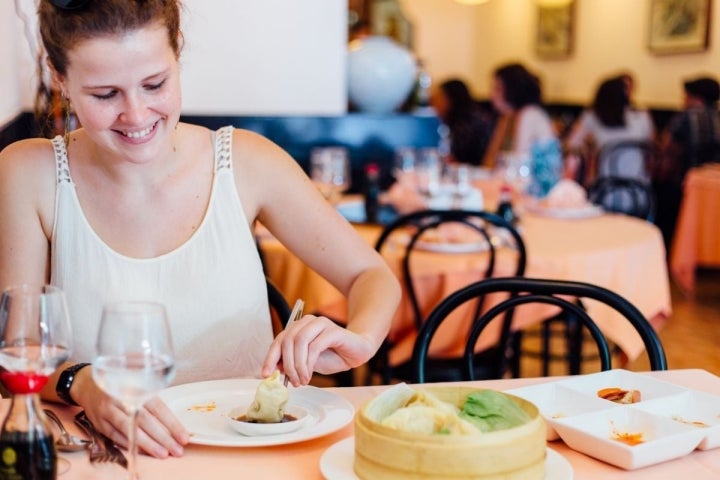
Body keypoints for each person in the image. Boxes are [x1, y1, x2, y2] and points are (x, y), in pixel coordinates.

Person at [0, 0, 400, 460]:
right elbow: (18, 352)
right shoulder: (28, 173)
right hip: (110, 458)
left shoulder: (247, 161)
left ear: (178, 54)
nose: (136, 114)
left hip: (250, 456)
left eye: (155, 84)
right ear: (60, 78)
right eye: (105, 94)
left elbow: (372, 275)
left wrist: (361, 338)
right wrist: (80, 382)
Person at [654, 76, 720, 248]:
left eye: (685, 96)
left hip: (688, 183)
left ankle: (670, 248)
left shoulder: (686, 116)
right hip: (714, 188)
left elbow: (666, 146)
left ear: (695, 98)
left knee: (662, 191)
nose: (682, 100)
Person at [565, 75, 655, 183]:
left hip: (606, 186)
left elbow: (572, 143)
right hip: (639, 186)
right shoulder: (642, 116)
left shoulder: (593, 116)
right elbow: (651, 148)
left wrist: (590, 147)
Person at [483, 62, 558, 167]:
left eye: (498, 89)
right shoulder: (508, 117)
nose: (491, 95)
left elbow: (518, 164)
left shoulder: (529, 115)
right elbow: (490, 160)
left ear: (512, 90)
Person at [430, 78, 492, 166]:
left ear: (451, 99)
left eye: (439, 98)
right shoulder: (450, 122)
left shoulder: (470, 123)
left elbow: (458, 158)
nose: (433, 103)